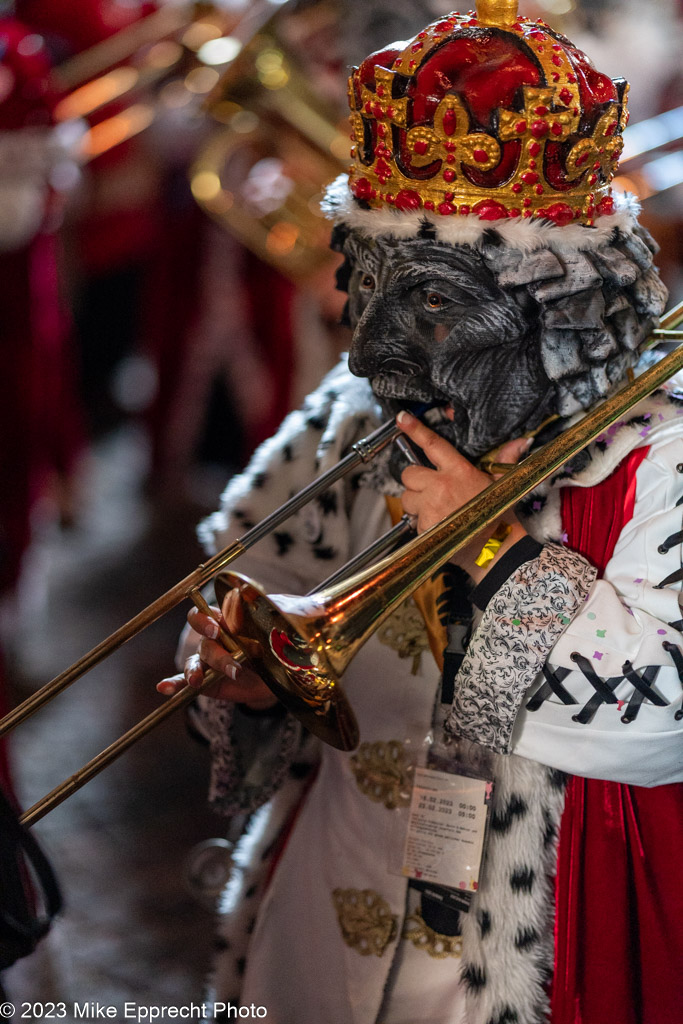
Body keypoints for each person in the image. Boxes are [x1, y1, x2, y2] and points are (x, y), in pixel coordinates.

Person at [159, 3, 683, 1022]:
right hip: (319, 913)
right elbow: (239, 572)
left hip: (531, 943)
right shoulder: (352, 416)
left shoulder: (657, 448)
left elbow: (659, 714)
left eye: (459, 291)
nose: (408, 336)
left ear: (556, 288)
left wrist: (488, 543)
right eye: (391, 283)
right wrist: (243, 678)